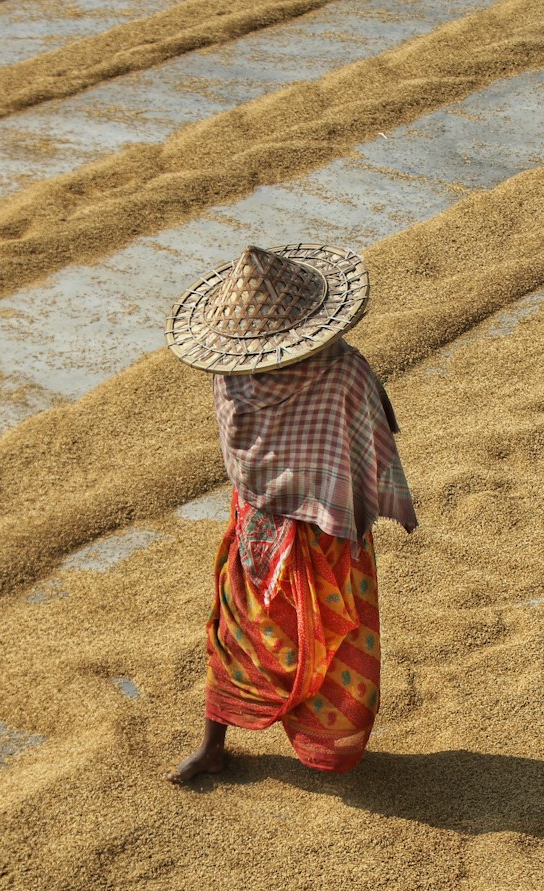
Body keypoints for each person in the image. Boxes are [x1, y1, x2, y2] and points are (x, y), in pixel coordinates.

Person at [163, 243, 418, 784]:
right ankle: (327, 751)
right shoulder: (344, 372)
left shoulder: (230, 375)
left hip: (259, 522)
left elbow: (243, 455)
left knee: (242, 629)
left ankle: (214, 745)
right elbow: (369, 447)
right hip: (323, 530)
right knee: (323, 637)